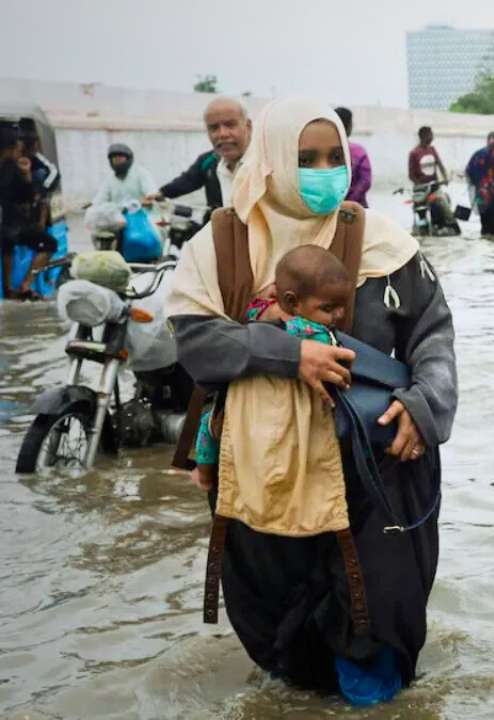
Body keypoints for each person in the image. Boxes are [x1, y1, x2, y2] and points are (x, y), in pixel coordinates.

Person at [166, 98, 456, 702]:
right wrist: (288, 354)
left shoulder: (384, 244)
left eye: (333, 155)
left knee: (379, 618)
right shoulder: (220, 244)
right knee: (282, 632)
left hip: (375, 469)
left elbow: (432, 336)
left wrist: (426, 407)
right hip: (259, 469)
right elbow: (195, 342)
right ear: (270, 161)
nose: (326, 169)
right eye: (305, 158)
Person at [190, 245, 355, 492]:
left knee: (208, 424)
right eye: (329, 309)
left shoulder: (258, 312)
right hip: (295, 416)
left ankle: (204, 476)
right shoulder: (317, 335)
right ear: (292, 301)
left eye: (342, 305)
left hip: (249, 409)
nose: (339, 315)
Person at [147, 98, 252, 219]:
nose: (222, 134)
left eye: (230, 125)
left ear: (248, 126)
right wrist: (160, 194)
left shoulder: (266, 162)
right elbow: (187, 181)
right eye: (214, 128)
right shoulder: (209, 161)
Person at [0, 128, 56, 297]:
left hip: (7, 226)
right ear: (9, 149)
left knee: (6, 244)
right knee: (50, 244)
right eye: (17, 148)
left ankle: (8, 288)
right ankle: (25, 284)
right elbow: (28, 196)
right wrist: (27, 176)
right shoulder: (13, 169)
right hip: (12, 225)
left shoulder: (11, 167)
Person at [86, 143, 158, 233]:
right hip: (117, 220)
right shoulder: (109, 178)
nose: (117, 160)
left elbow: (151, 193)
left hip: (141, 219)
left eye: (120, 157)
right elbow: (100, 198)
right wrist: (92, 206)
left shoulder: (141, 173)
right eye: (114, 158)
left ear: (128, 159)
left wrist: (145, 201)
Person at [335, 107, 372, 207]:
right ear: (349, 126)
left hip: (331, 208)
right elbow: (366, 181)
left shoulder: (323, 152)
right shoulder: (358, 152)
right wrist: (351, 200)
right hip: (356, 208)